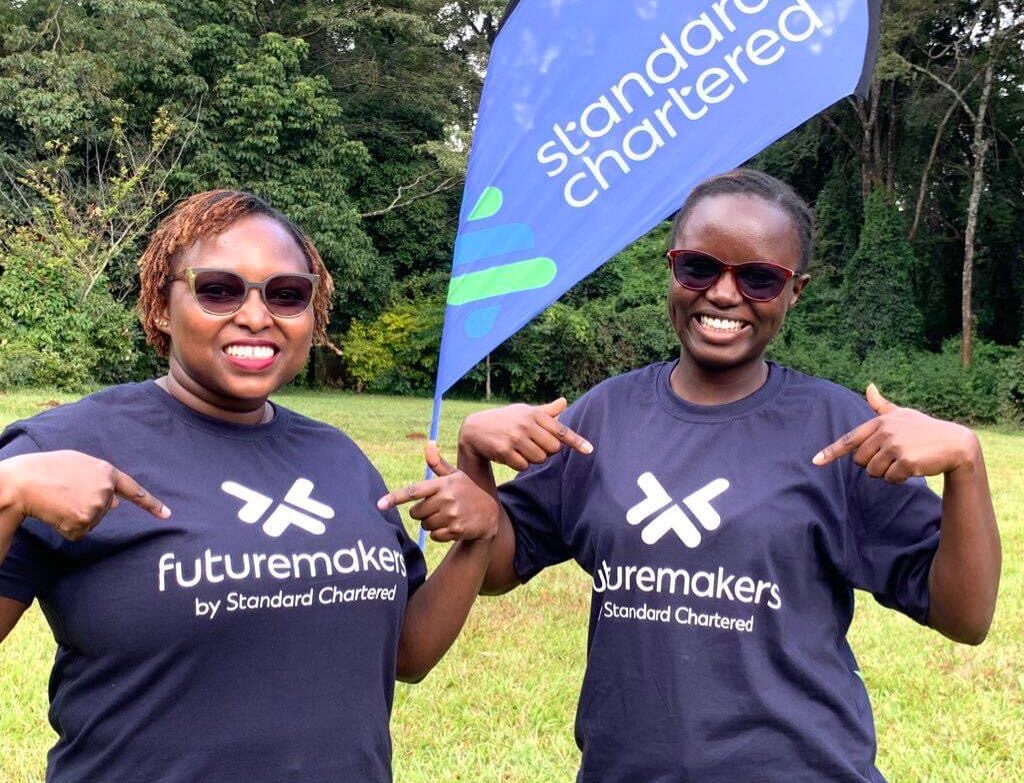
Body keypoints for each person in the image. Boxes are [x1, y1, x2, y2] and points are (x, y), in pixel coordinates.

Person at [456, 169, 1001, 782]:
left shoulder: (840, 428)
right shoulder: (605, 415)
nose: (722, 294)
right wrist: (474, 459)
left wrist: (966, 465)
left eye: (760, 278)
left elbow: (965, 617)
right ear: (672, 269)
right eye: (699, 267)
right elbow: (498, 568)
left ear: (796, 290)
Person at [0, 189, 499, 783]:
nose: (257, 316)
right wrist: (7, 492)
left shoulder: (336, 457)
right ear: (161, 306)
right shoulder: (64, 446)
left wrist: (480, 535)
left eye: (287, 295)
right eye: (219, 289)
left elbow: (407, 656)